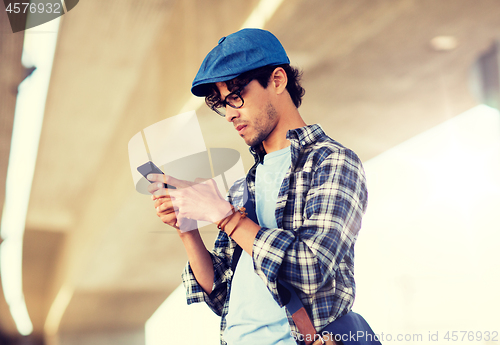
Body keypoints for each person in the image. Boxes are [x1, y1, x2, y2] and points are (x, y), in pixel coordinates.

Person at [147, 28, 368, 345]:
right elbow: (222, 295)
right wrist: (187, 225)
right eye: (222, 103)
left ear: (277, 80)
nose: (229, 113)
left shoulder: (331, 162)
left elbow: (311, 269)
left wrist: (223, 214)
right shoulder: (244, 186)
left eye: (237, 95)